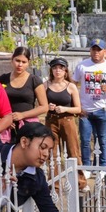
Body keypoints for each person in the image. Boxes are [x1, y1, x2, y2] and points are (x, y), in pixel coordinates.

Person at [74, 39, 106, 166]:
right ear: (90, 50)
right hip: (85, 110)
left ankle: (102, 166)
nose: (96, 52)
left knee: (103, 140)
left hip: (103, 109)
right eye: (94, 49)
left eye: (99, 50)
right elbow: (73, 84)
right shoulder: (82, 66)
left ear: (104, 52)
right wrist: (77, 105)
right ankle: (86, 166)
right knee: (85, 140)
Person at [44, 57, 87, 189]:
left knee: (73, 151)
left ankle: (80, 182)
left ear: (65, 71)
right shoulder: (46, 85)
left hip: (67, 120)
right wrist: (48, 106)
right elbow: (41, 104)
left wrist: (65, 108)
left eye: (61, 68)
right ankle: (54, 184)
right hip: (51, 120)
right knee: (52, 153)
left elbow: (78, 108)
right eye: (55, 68)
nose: (58, 71)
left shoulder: (71, 86)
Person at [0, 47, 49, 143]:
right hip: (7, 126)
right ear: (12, 60)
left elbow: (44, 107)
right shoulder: (2, 79)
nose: (20, 65)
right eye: (17, 60)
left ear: (28, 62)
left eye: (24, 62)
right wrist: (3, 119)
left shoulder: (34, 80)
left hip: (28, 125)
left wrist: (22, 115)